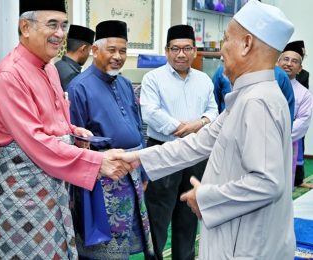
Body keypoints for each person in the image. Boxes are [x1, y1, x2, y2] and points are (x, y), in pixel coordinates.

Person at [115, 1, 296, 259]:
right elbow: (199, 142)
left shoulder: (258, 102)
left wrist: (207, 198)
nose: (221, 50)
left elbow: (267, 183)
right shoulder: (247, 96)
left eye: (225, 39)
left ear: (246, 44)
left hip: (249, 244)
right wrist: (137, 158)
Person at [0, 1, 131, 259]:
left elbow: (55, 122)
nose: (61, 33)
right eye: (52, 24)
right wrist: (96, 161)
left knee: (59, 249)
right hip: (24, 193)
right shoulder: (10, 75)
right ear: (25, 27)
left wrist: (75, 132)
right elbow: (35, 141)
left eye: (63, 25)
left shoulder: (50, 68)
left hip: (55, 185)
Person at [66, 20, 154, 259]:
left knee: (125, 248)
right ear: (95, 50)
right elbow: (75, 140)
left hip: (132, 176)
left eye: (123, 51)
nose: (118, 56)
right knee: (101, 250)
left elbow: (137, 127)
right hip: (101, 180)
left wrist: (143, 171)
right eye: (112, 50)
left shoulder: (125, 83)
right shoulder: (78, 87)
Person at [140, 24, 218, 260]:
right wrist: (183, 128)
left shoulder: (204, 80)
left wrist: (199, 123)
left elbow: (213, 110)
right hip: (163, 150)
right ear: (166, 51)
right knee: (158, 216)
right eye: (175, 49)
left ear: (195, 51)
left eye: (186, 48)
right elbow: (150, 112)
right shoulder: (153, 78)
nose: (181, 54)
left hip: (196, 154)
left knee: (189, 213)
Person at [278, 41, 313, 188]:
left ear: (300, 69)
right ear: (277, 62)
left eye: (294, 61)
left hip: (288, 144)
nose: (289, 64)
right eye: (285, 59)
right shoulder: (264, 85)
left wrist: (278, 135)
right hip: (257, 141)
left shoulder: (304, 94)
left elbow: (303, 121)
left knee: (284, 185)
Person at [212, 63, 295, 117]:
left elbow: (287, 110)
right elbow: (214, 104)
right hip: (225, 131)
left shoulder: (280, 75)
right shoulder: (223, 71)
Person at [55, 24, 95, 90]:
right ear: (83, 49)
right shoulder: (72, 75)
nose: (88, 54)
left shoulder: (57, 65)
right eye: (90, 50)